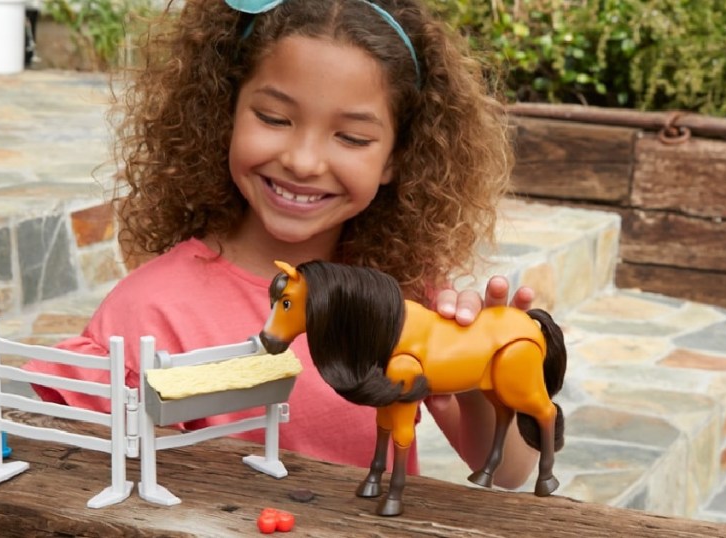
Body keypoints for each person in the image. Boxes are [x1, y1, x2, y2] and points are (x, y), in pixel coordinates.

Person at [26, 0, 538, 488]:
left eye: (352, 138)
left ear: (396, 159)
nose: (303, 161)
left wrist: (479, 371)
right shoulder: (148, 312)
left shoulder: (406, 294)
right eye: (273, 118)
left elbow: (509, 472)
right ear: (224, 113)